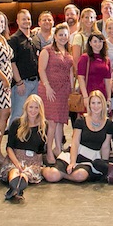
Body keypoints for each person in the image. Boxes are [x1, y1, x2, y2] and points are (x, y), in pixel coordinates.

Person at [0, 94, 63, 201]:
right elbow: (9, 147)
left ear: (40, 109)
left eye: (36, 107)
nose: (33, 110)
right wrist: (16, 163)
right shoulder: (16, 123)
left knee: (26, 173)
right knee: (14, 171)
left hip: (34, 160)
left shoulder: (44, 126)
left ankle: (19, 188)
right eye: (31, 107)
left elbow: (44, 149)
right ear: (26, 107)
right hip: (15, 157)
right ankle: (14, 186)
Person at [38, 22, 75, 163]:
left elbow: (71, 71)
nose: (63, 37)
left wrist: (72, 90)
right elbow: (41, 70)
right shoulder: (47, 50)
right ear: (55, 36)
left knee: (60, 122)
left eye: (66, 35)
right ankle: (48, 151)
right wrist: (47, 86)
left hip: (64, 90)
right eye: (60, 35)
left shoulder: (68, 51)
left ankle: (58, 149)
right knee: (52, 122)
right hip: (50, 90)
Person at [57, 91, 112, 182]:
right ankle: (45, 171)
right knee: (51, 175)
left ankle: (62, 176)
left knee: (80, 175)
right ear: (89, 105)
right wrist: (72, 162)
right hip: (76, 152)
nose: (96, 106)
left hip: (92, 158)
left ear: (103, 104)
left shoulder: (109, 123)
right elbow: (75, 142)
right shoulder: (81, 120)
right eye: (93, 103)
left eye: (99, 103)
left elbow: (105, 146)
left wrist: (104, 165)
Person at [9, 9, 39, 125]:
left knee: (34, 114)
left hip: (35, 82)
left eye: (28, 19)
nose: (26, 21)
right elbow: (12, 63)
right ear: (17, 21)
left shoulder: (34, 37)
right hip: (22, 83)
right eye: (23, 19)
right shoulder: (14, 39)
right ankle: (12, 142)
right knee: (18, 114)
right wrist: (19, 82)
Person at [77, 32, 113, 102]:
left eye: (100, 41)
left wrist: (109, 98)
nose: (98, 44)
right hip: (88, 94)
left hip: (102, 95)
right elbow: (81, 78)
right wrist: (85, 97)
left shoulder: (106, 60)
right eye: (95, 41)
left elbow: (108, 80)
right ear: (90, 43)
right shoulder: (84, 58)